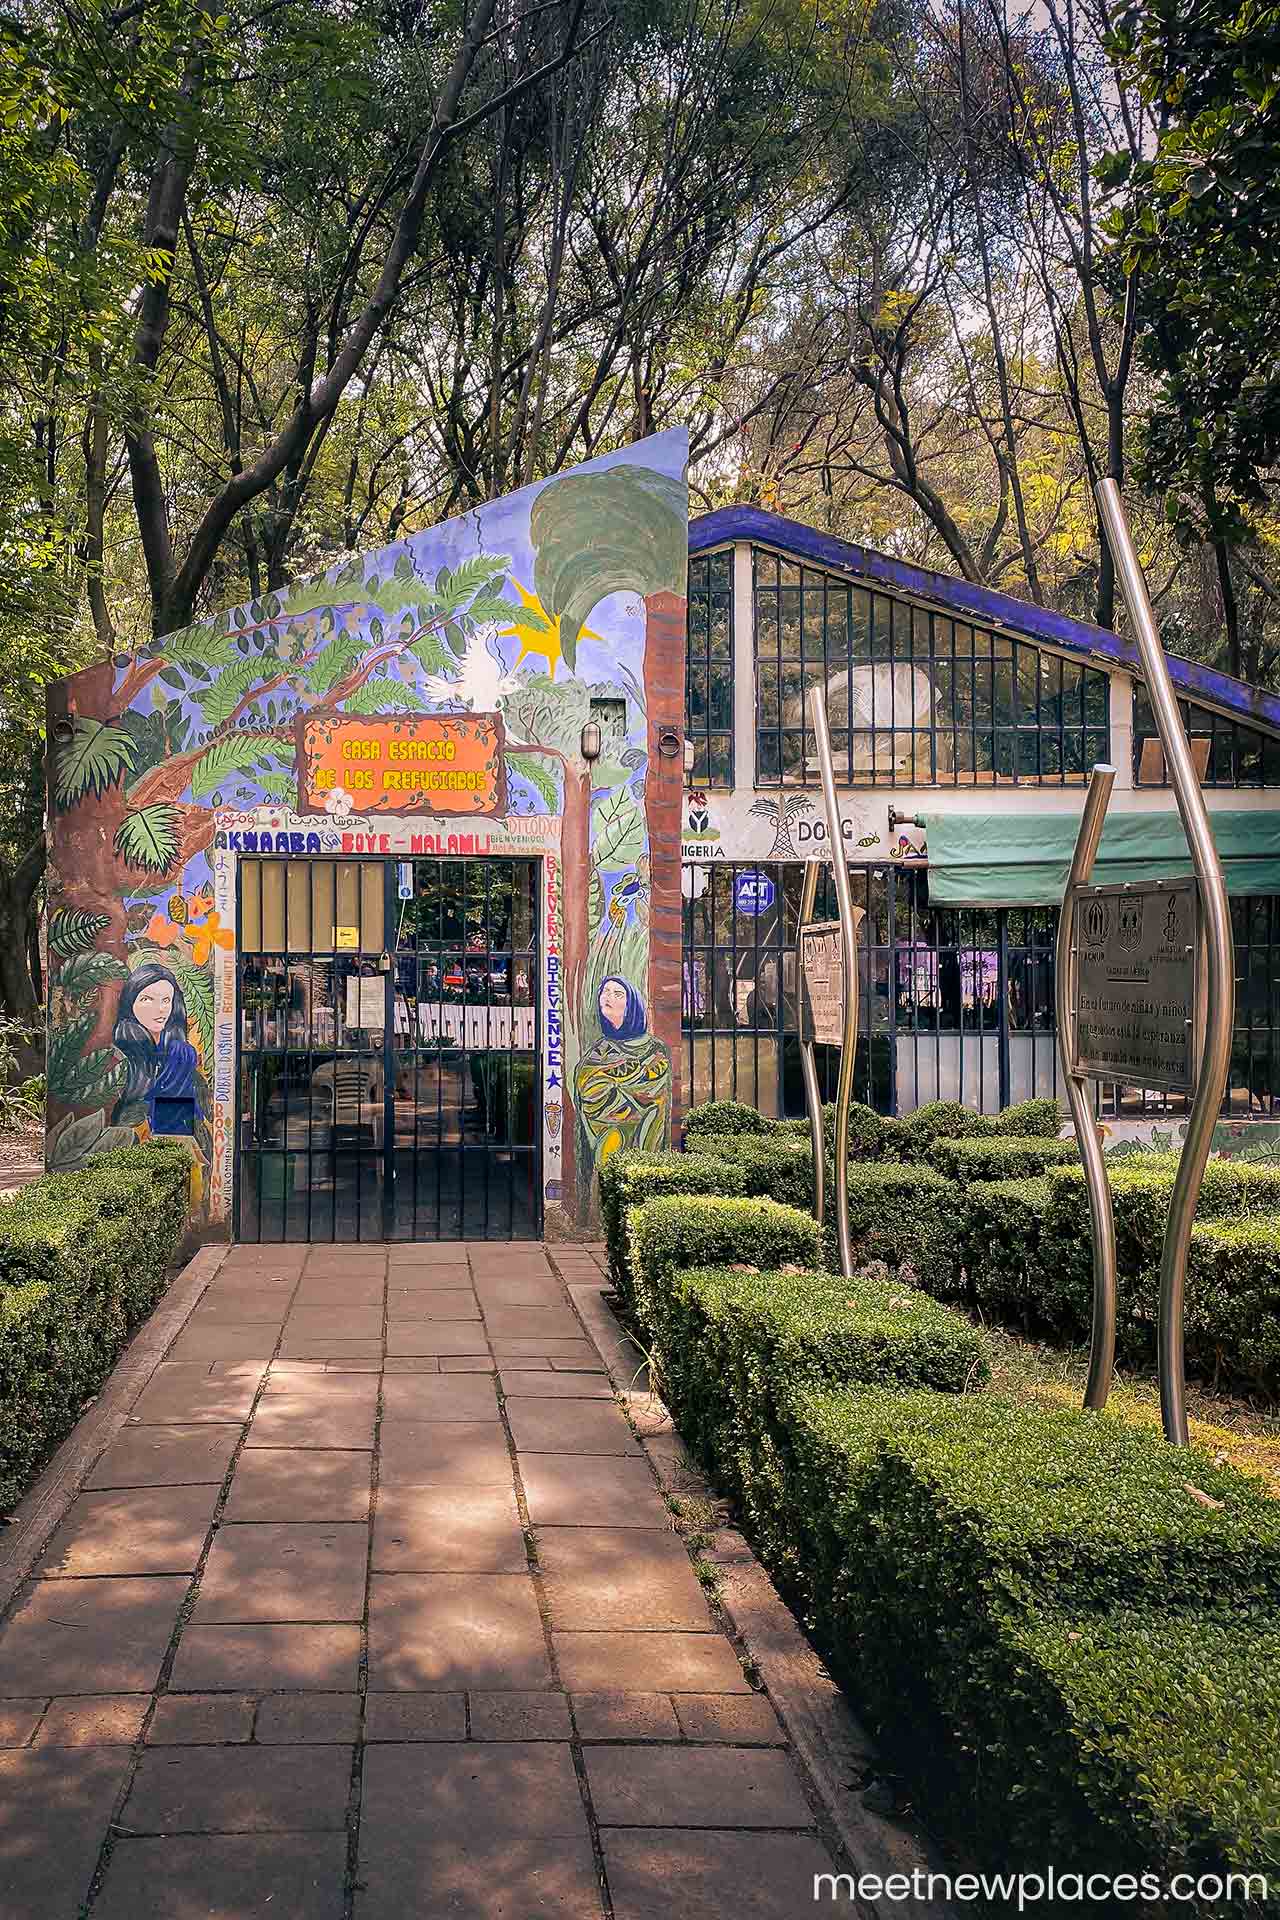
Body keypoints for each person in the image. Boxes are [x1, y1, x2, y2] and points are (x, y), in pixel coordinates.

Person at [573, 975, 671, 1221]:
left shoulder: (655, 1049)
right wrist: (628, 1091)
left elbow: (654, 1094)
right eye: (605, 992)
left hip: (644, 1138)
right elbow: (590, 1090)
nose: (608, 998)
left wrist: (620, 1089)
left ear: (633, 1006)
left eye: (618, 994)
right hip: (607, 1137)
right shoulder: (597, 1053)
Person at [111, 963, 199, 1130]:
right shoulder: (119, 1054)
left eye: (166, 1000)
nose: (159, 1009)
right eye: (147, 999)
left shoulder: (181, 1054)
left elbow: (180, 1122)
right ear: (130, 1002)